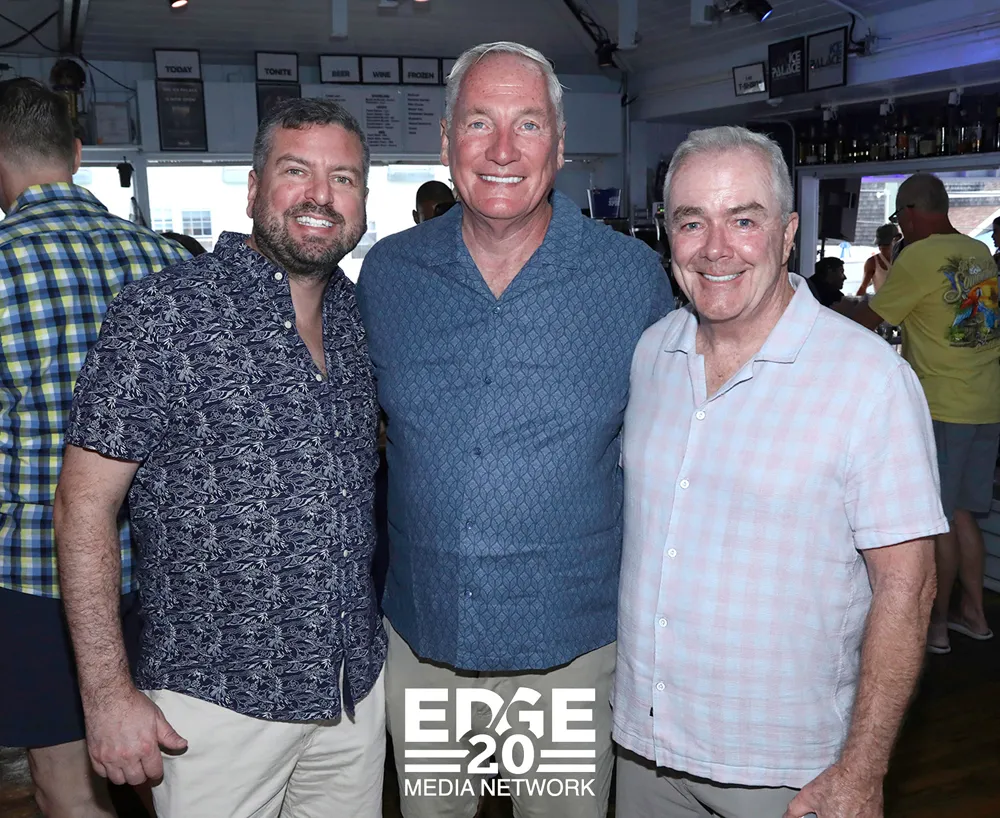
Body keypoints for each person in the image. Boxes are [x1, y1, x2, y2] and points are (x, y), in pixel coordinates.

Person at [356, 40, 673, 818]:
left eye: (528, 124)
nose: (502, 150)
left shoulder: (631, 279)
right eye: (479, 123)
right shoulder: (389, 276)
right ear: (446, 142)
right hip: (428, 640)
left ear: (559, 147)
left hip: (565, 649)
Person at [54, 98, 386, 818]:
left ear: (363, 201)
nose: (321, 196)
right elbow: (83, 504)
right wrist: (106, 693)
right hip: (213, 707)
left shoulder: (358, 317)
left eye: (344, 178)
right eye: (296, 171)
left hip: (351, 693)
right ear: (254, 187)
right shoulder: (165, 313)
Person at [616, 126, 946, 818]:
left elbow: (908, 587)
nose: (716, 248)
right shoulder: (651, 354)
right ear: (667, 236)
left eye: (744, 220)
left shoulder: (869, 379)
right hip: (645, 748)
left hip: (790, 772)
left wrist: (863, 769)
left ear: (788, 233)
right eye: (692, 222)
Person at [0, 78, 189, 817]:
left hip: (37, 571)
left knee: (69, 784)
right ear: (78, 154)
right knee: (171, 772)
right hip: (166, 566)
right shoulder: (169, 263)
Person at [853, 173, 1000, 654]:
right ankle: (974, 614)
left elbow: (869, 320)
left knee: (938, 520)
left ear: (912, 212)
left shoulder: (917, 256)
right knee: (963, 515)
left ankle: (936, 626)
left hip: (942, 406)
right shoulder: (979, 252)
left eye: (900, 217)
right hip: (986, 403)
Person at [856, 223, 900, 296]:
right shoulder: (872, 262)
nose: (882, 248)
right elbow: (863, 288)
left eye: (886, 244)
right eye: (880, 244)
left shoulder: (905, 258)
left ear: (896, 240)